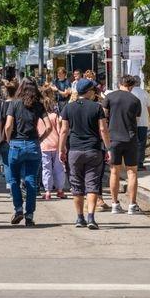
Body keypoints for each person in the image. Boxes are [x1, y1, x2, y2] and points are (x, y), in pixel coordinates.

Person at [58, 78, 109, 229]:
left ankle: (80, 218)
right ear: (88, 92)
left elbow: (64, 130)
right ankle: (91, 217)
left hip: (74, 150)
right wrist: (109, 148)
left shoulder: (68, 108)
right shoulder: (97, 107)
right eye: (93, 90)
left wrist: (61, 149)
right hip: (93, 149)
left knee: (76, 184)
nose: (94, 93)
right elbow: (103, 129)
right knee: (92, 184)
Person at [3, 79, 47, 226]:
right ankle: (29, 215)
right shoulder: (39, 106)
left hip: (16, 144)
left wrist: (8, 140)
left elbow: (8, 125)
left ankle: (18, 209)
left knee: (13, 179)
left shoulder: (14, 104)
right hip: (33, 145)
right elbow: (49, 127)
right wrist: (40, 140)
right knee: (31, 181)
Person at [104, 75, 143, 215]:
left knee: (114, 171)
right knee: (132, 172)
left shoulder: (109, 97)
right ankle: (132, 205)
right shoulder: (135, 100)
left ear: (119, 83)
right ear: (131, 86)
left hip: (113, 138)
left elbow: (104, 116)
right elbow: (137, 119)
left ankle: (115, 204)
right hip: (130, 138)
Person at [38, 86, 66, 200]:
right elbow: (60, 131)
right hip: (56, 145)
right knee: (59, 168)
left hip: (44, 145)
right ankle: (60, 190)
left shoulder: (39, 118)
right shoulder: (55, 116)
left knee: (46, 168)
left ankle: (48, 191)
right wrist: (63, 146)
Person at [129, 75, 150, 171]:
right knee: (141, 143)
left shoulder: (129, 93)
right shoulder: (144, 93)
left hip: (131, 122)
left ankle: (131, 162)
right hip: (143, 122)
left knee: (132, 142)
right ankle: (139, 163)